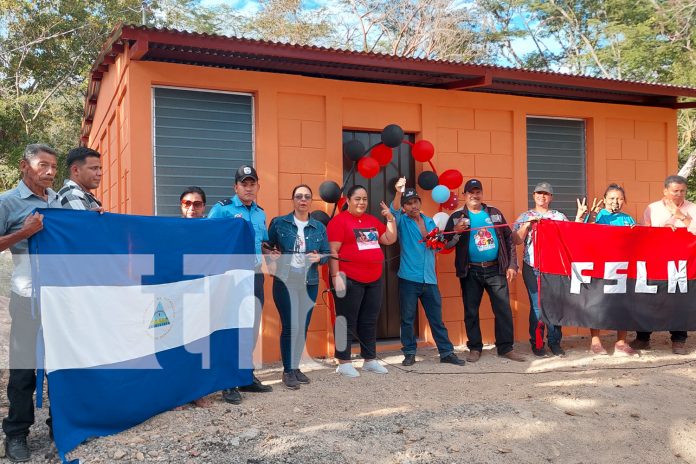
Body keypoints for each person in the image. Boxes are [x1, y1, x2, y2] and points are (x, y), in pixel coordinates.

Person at [0, 144, 62, 462]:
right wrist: (22, 233)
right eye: (43, 165)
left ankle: (60, 426)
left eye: (54, 166)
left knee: (60, 366)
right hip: (26, 299)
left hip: (59, 301)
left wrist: (96, 219)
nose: (50, 172)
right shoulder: (7, 202)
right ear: (25, 166)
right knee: (24, 371)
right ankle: (16, 435)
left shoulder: (58, 200)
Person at [208, 165, 273, 404]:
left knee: (251, 326)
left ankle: (246, 376)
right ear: (235, 187)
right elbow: (207, 238)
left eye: (252, 183)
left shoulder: (260, 213)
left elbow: (262, 241)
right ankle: (228, 381)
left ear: (257, 186)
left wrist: (269, 249)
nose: (248, 187)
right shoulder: (222, 209)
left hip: (254, 275)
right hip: (231, 278)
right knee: (231, 327)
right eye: (244, 183)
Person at [444, 179, 525, 363]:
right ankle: (475, 347)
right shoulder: (457, 216)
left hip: (496, 269)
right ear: (464, 195)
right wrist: (456, 230)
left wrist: (512, 264)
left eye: (478, 191)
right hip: (470, 271)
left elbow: (509, 239)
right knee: (471, 311)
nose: (475, 195)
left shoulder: (494, 213)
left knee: (503, 309)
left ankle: (505, 348)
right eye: (471, 192)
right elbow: (445, 244)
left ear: (482, 193)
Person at [390, 178, 465, 367]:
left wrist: (455, 232)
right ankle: (409, 353)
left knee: (436, 319)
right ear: (405, 207)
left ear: (420, 203)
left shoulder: (430, 221)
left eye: (415, 201)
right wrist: (399, 192)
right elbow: (393, 210)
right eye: (409, 203)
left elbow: (438, 247)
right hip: (408, 278)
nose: (413, 206)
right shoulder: (401, 221)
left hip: (429, 279)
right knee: (407, 319)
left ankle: (446, 352)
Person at [327, 185, 397, 377]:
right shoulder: (338, 222)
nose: (362, 202)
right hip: (348, 278)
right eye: (357, 198)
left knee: (369, 320)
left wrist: (390, 219)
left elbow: (389, 239)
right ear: (348, 200)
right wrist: (335, 277)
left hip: (373, 278)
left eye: (364, 199)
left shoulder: (371, 221)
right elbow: (333, 251)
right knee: (346, 321)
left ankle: (370, 359)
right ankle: (344, 361)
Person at [267, 184, 330, 389]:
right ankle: (287, 371)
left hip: (309, 281)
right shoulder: (279, 223)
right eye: (299, 196)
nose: (303, 200)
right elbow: (268, 247)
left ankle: (295, 367)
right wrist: (272, 256)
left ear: (311, 201)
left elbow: (327, 253)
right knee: (290, 326)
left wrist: (319, 257)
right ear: (293, 200)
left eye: (307, 197)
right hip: (286, 280)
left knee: (302, 326)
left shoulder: (319, 227)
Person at [630, 175, 696, 355]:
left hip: (682, 264)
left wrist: (681, 217)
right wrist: (660, 233)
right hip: (655, 261)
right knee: (648, 297)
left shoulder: (692, 208)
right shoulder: (653, 208)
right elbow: (646, 231)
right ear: (665, 191)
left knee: (679, 299)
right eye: (675, 191)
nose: (679, 194)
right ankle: (643, 338)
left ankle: (678, 340)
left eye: (683, 191)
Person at [575, 184, 639, 356]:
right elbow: (582, 234)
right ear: (604, 200)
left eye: (619, 198)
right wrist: (592, 216)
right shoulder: (596, 215)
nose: (615, 202)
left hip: (622, 268)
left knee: (623, 304)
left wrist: (637, 232)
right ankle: (595, 342)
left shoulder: (628, 219)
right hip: (599, 267)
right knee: (596, 303)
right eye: (611, 198)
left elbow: (638, 243)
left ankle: (621, 342)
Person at [512, 182, 567, 357]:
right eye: (539, 193)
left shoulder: (558, 216)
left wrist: (580, 217)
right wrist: (527, 225)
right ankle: (537, 343)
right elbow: (515, 240)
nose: (542, 196)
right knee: (537, 307)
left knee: (554, 305)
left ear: (551, 197)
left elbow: (569, 235)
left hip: (554, 267)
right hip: (532, 266)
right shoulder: (525, 215)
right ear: (533, 195)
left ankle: (554, 342)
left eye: (546, 193)